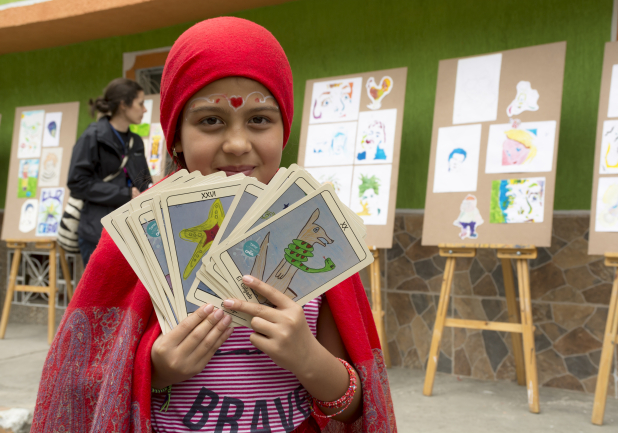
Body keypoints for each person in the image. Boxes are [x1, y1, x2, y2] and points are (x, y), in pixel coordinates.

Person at [33, 17, 395, 433]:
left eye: (260, 119)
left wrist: (309, 360)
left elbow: (354, 409)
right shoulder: (141, 237)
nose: (238, 143)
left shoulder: (312, 231)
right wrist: (157, 368)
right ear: (176, 138)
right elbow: (85, 386)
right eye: (210, 121)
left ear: (284, 130)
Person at [67, 78, 153, 266]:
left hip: (132, 233)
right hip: (97, 233)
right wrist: (123, 194)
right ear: (123, 105)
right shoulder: (93, 136)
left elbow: (143, 178)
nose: (145, 109)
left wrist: (151, 189)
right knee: (99, 295)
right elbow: (77, 182)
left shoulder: (136, 141)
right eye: (140, 103)